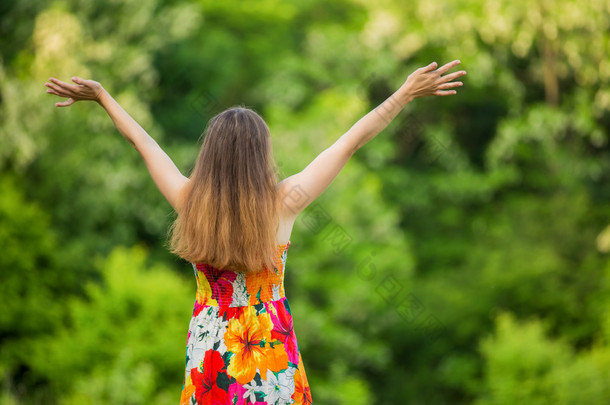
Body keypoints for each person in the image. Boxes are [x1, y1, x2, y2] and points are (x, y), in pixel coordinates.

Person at [44, 59, 466, 404]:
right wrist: (403, 94)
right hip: (266, 351)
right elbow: (349, 142)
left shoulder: (190, 200)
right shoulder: (283, 203)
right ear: (260, 154)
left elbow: (145, 143)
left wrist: (103, 96)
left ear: (210, 155)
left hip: (208, 352)